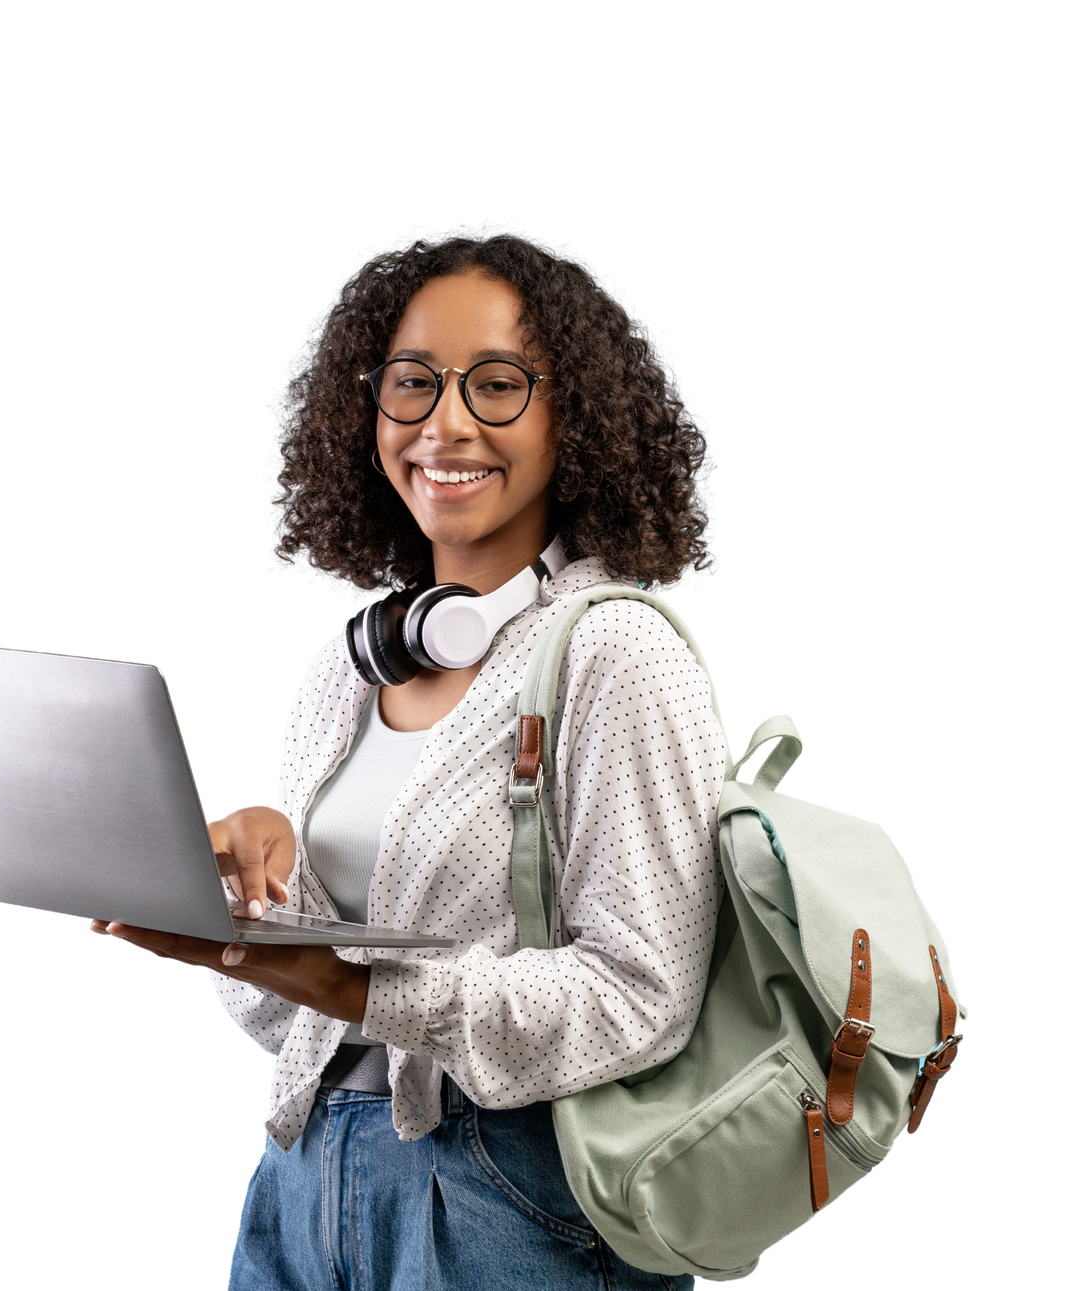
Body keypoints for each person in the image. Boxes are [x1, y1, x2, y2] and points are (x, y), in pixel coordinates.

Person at [88, 220, 727, 1288]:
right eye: (413, 384)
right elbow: (285, 1011)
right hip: (297, 1178)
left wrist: (360, 986)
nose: (446, 424)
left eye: (497, 385)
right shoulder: (342, 672)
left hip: (508, 1195)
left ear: (574, 413)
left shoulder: (620, 652)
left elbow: (641, 997)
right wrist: (248, 913)